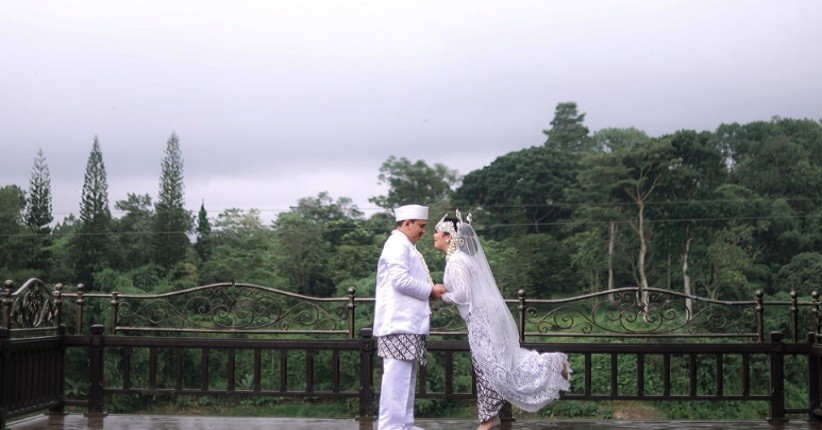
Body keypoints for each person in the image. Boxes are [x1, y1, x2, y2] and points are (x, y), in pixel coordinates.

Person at [433, 211, 570, 430]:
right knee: (496, 362)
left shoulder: (457, 261)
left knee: (488, 364)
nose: (434, 235)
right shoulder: (461, 258)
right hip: (487, 314)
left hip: (482, 317)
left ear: (449, 236)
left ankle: (490, 417)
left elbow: (462, 296)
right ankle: (490, 415)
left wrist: (439, 293)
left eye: (437, 231)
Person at [373, 204, 447, 430]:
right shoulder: (397, 244)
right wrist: (431, 291)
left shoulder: (405, 245)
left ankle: (404, 424)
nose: (423, 231)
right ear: (407, 224)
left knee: (406, 378)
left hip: (407, 323)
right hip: (398, 323)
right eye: (421, 226)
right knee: (396, 379)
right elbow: (401, 281)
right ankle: (391, 427)